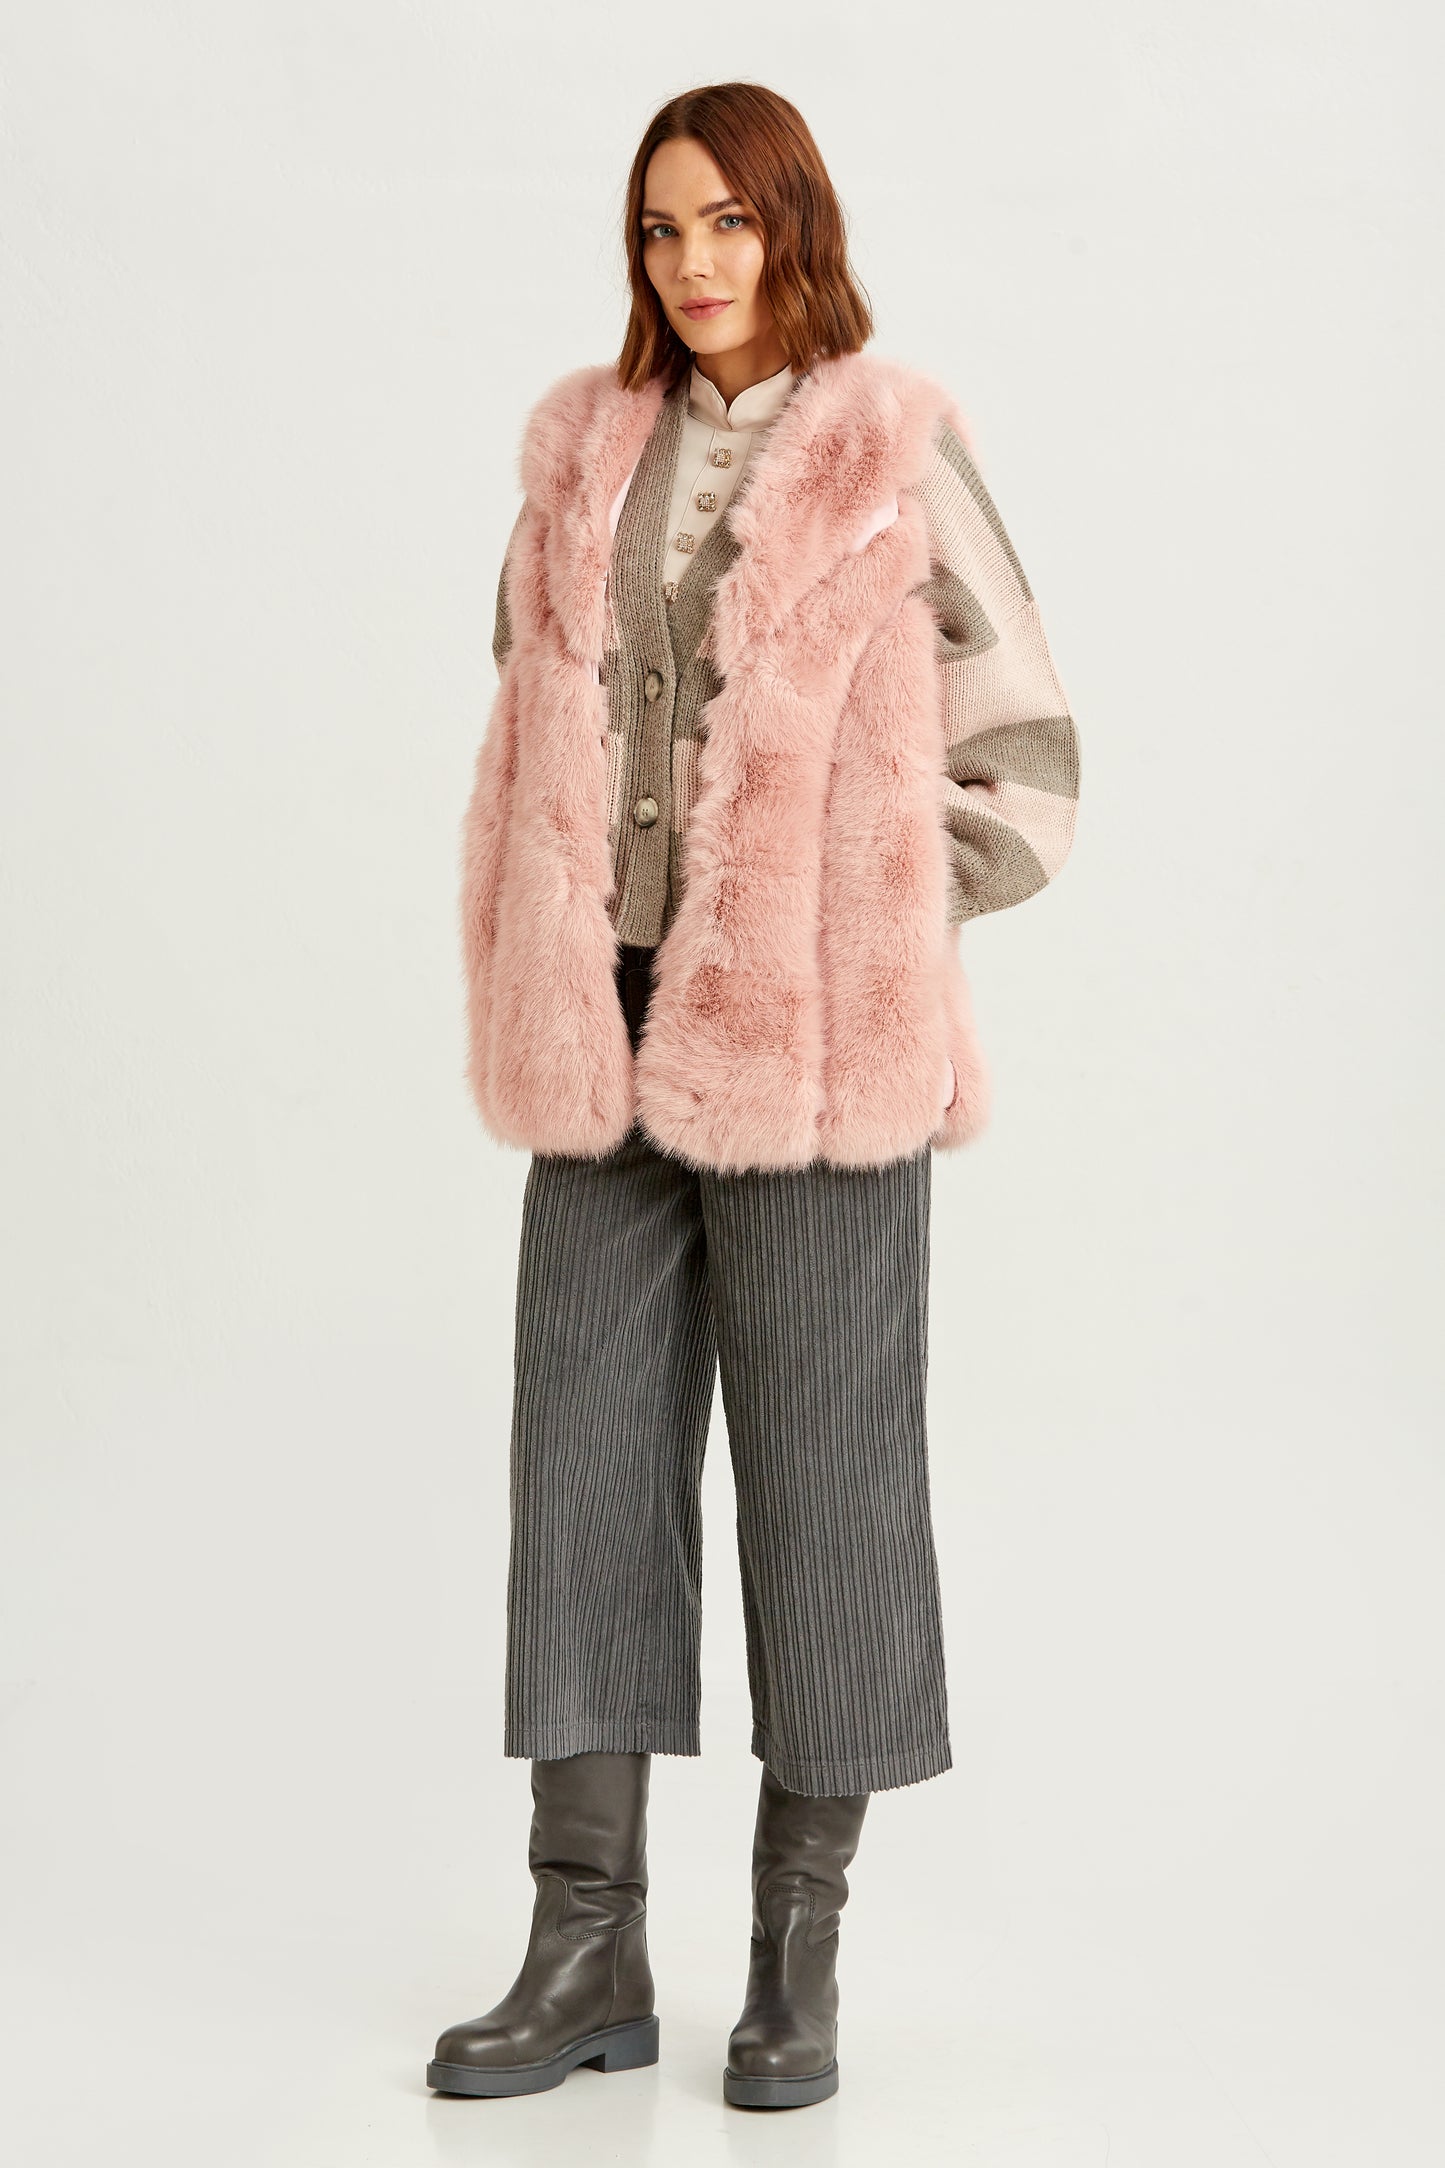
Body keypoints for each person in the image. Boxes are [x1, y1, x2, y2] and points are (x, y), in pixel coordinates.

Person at [427, 79, 1080, 2110]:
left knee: (828, 1486)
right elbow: (526, 705)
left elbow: (1026, 761)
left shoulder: (893, 445)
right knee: (580, 1471)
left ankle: (796, 1961)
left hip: (812, 1065)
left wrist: (857, 913)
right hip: (598, 1034)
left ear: (796, 227)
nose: (694, 262)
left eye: (726, 221)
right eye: (660, 228)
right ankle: (585, 1946)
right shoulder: (583, 449)